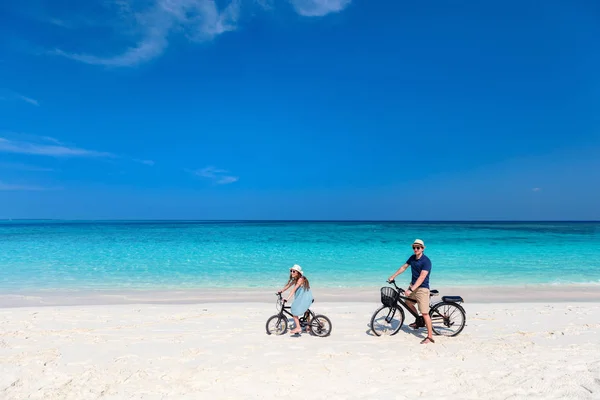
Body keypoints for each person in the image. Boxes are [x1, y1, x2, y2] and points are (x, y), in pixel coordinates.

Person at [388, 239, 435, 344]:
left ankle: (430, 337)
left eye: (418, 247)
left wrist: (411, 289)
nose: (415, 249)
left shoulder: (426, 261)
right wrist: (393, 276)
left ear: (423, 248)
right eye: (414, 247)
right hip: (413, 286)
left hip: (422, 288)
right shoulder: (412, 258)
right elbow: (404, 267)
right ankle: (418, 320)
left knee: (425, 313)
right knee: (408, 302)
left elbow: (422, 277)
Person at [278, 264, 314, 335]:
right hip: (304, 297)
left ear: (298, 273)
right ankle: (308, 325)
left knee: (294, 311)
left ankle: (298, 327)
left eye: (294, 271)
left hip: (305, 298)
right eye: (291, 271)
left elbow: (293, 290)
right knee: (306, 311)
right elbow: (288, 286)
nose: (292, 272)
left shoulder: (300, 279)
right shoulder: (296, 279)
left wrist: (287, 299)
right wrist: (281, 291)